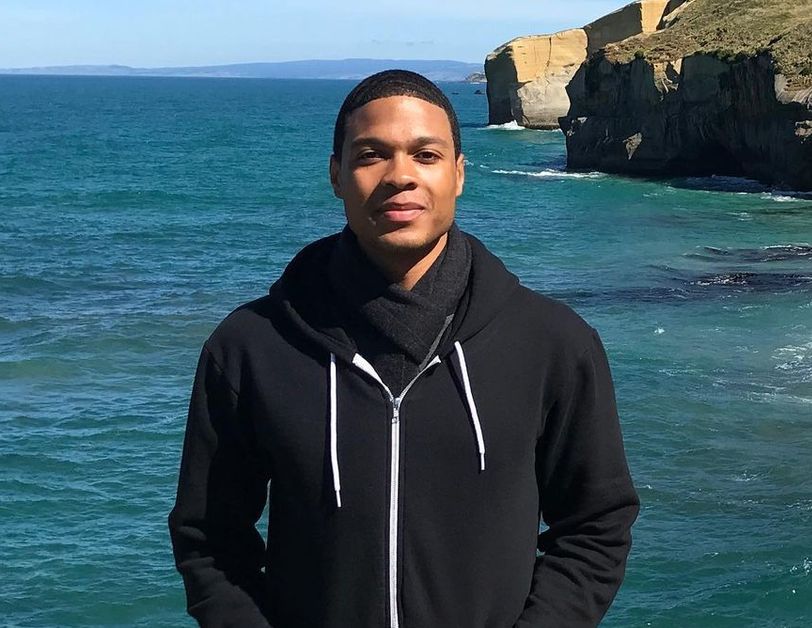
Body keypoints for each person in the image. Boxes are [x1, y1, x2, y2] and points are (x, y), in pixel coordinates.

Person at [168, 69, 639, 628]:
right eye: (371, 155)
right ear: (336, 175)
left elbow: (596, 524)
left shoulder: (552, 342)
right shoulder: (250, 347)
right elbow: (210, 540)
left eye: (426, 155)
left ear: (459, 174)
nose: (401, 177)